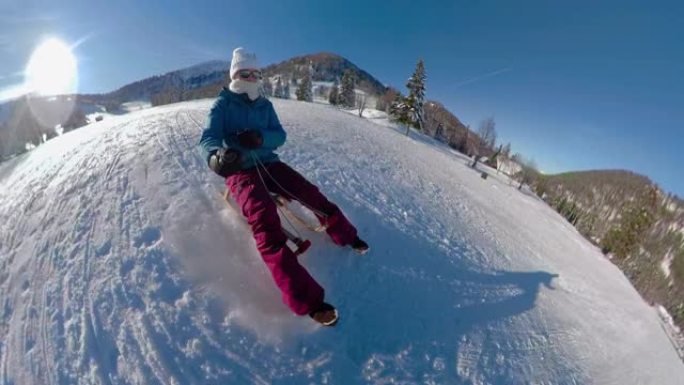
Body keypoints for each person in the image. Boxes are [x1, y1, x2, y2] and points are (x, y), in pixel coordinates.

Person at [198, 47, 369, 326]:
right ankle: (308, 300)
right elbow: (208, 138)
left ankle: (346, 234)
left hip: (269, 164)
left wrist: (261, 138)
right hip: (240, 169)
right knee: (265, 218)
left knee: (307, 192)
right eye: (245, 73)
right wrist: (216, 157)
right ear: (234, 74)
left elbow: (280, 136)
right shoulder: (223, 105)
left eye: (256, 73)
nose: (251, 78)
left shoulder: (265, 105)